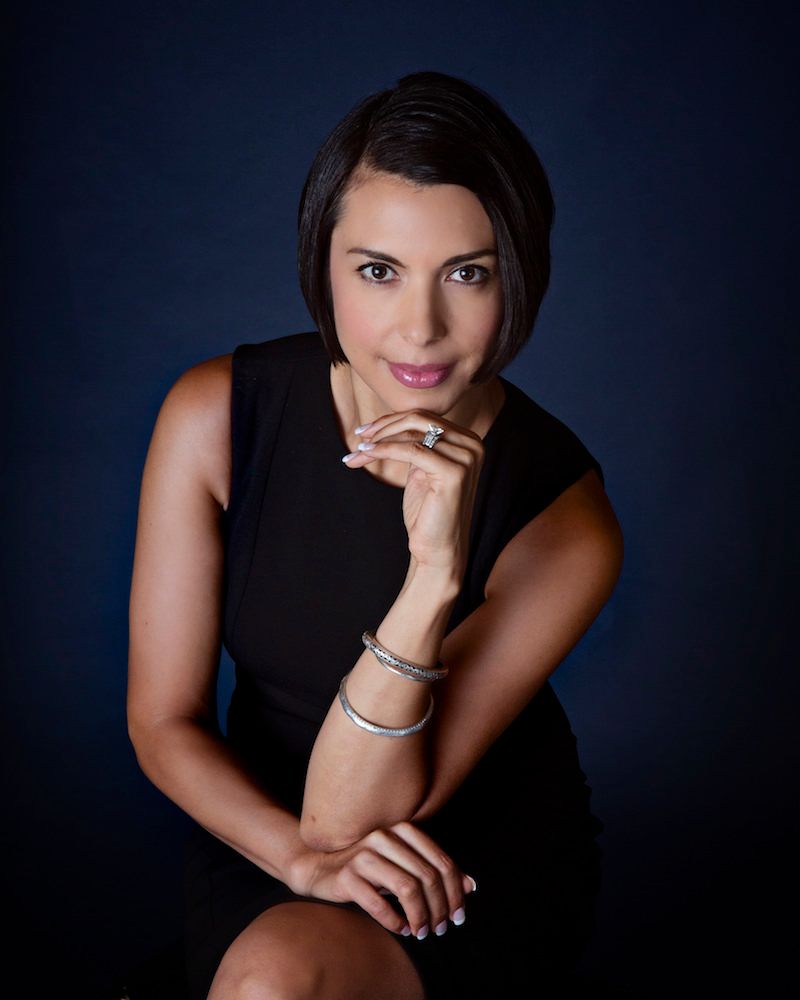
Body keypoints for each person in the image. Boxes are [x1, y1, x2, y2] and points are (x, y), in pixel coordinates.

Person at [127, 70, 624, 1000]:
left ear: (519, 276)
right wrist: (295, 858)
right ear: (323, 266)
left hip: (460, 867)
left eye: (468, 274)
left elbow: (354, 817)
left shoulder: (566, 517)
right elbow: (163, 721)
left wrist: (432, 579)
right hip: (259, 824)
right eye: (378, 271)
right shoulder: (215, 417)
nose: (420, 329)